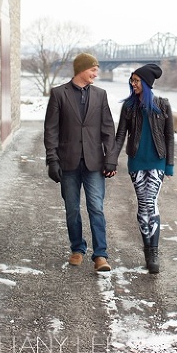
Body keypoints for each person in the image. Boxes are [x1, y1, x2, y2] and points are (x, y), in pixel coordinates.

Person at [44, 53, 118, 272]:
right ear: (81, 70)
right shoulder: (59, 94)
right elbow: (51, 130)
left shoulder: (100, 95)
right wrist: (52, 160)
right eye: (93, 69)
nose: (96, 73)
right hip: (68, 163)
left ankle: (100, 255)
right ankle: (77, 249)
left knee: (96, 207)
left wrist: (111, 160)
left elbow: (108, 129)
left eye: (97, 69)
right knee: (72, 209)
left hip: (95, 163)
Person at [114, 63, 174, 274]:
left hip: (157, 160)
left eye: (136, 80)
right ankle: (148, 249)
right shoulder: (129, 107)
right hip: (137, 162)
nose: (133, 84)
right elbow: (120, 135)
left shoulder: (163, 105)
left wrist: (170, 165)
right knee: (142, 204)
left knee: (150, 201)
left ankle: (153, 252)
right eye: (132, 80)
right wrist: (112, 159)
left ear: (147, 83)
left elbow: (169, 136)